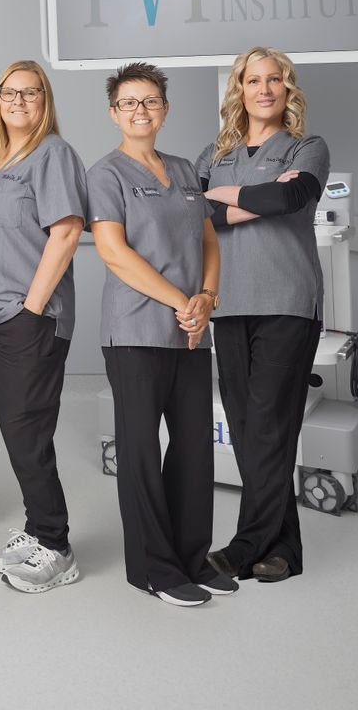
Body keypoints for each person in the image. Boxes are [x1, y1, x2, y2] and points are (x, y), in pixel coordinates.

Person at [88, 62, 235, 607]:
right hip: (135, 332)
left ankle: (193, 556)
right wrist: (182, 302)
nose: (141, 110)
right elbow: (113, 252)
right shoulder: (106, 174)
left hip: (191, 331)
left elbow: (209, 244)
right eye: (129, 103)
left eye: (150, 101)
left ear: (165, 110)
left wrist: (207, 301)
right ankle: (154, 569)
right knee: (142, 451)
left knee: (195, 447)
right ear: (114, 113)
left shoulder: (183, 170)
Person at [197, 47, 331, 585]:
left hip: (288, 303)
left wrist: (225, 200)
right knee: (250, 427)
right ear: (240, 90)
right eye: (253, 80)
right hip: (229, 303)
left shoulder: (307, 147)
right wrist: (253, 198)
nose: (265, 89)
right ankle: (283, 550)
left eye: (274, 79)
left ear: (286, 87)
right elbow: (196, 212)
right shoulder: (215, 152)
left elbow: (292, 198)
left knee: (271, 428)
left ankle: (244, 545)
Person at [0, 60, 85, 595]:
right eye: (9, 92)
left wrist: (31, 310)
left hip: (26, 320)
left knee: (27, 433)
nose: (18, 101)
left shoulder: (52, 154)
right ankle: (36, 529)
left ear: (45, 100)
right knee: (16, 429)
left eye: (31, 93)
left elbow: (67, 232)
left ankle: (56, 546)